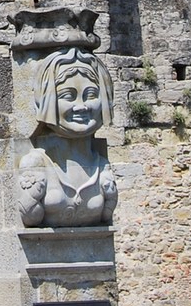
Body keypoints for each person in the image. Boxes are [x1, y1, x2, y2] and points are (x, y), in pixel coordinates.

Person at [18, 47, 118, 227]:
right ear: (46, 99)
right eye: (68, 96)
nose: (82, 107)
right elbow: (29, 218)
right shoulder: (36, 163)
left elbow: (106, 219)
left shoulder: (101, 166)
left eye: (91, 95)